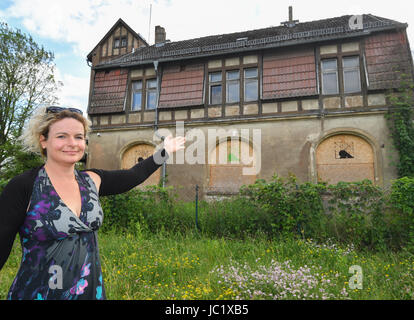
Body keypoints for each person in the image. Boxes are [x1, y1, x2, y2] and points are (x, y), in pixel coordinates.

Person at [0, 106, 185, 300]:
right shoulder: (25, 186)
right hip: (37, 294)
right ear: (43, 140)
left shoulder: (91, 181)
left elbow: (134, 175)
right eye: (62, 136)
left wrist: (164, 152)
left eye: (79, 137)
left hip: (89, 293)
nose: (72, 143)